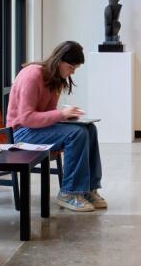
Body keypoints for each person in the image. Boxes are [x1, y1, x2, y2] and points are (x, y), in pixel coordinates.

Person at [7, 40, 107, 213]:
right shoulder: (31, 76)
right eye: (71, 68)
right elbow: (27, 118)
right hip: (20, 134)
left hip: (35, 130)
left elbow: (47, 113)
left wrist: (67, 116)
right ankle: (69, 193)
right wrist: (62, 114)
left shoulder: (55, 79)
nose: (72, 72)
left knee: (89, 129)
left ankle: (89, 189)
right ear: (59, 61)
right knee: (77, 134)